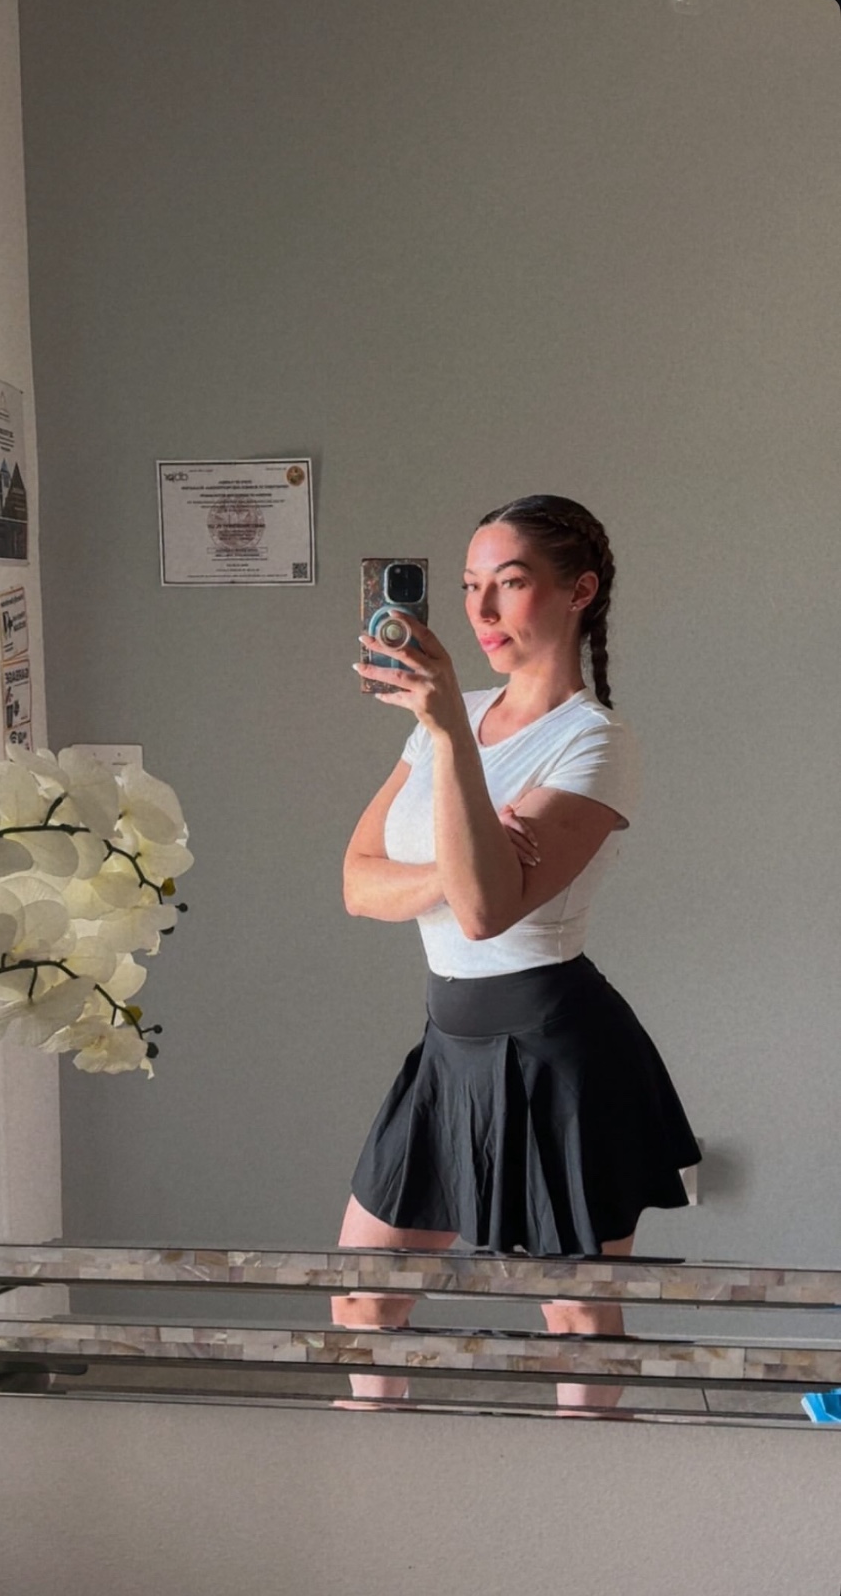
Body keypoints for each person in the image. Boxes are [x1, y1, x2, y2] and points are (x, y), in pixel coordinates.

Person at [333, 494, 701, 1411]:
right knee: (362, 1295)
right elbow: (357, 882)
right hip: (447, 1045)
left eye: (510, 582)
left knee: (573, 1316)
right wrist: (462, 857)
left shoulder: (595, 742)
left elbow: (488, 912)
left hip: (555, 1052)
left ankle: (586, 1491)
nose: (483, 611)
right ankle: (370, 1467)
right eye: (469, 587)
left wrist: (449, 738)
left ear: (580, 591)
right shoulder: (452, 716)